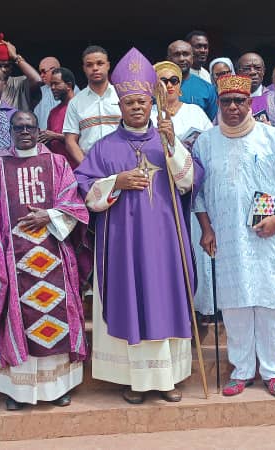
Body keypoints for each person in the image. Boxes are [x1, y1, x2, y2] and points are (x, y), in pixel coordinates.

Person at [74, 48, 202, 404]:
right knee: (131, 301)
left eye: (141, 102)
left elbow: (188, 181)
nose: (135, 107)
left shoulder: (166, 141)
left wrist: (173, 143)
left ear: (151, 104)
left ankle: (167, 379)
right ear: (120, 106)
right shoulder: (103, 148)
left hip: (165, 242)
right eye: (129, 102)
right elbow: (85, 191)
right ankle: (135, 381)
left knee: (164, 301)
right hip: (124, 243)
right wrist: (117, 182)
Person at [0, 111, 89, 410]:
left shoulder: (56, 163)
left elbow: (73, 203)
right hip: (12, 258)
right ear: (10, 131)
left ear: (38, 130)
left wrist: (48, 215)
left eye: (29, 127)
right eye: (18, 127)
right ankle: (17, 391)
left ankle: (57, 388)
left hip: (54, 257)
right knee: (16, 320)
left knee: (56, 316)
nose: (24, 131)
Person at [193, 74, 275, 398]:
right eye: (226, 101)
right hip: (225, 237)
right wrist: (207, 229)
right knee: (235, 305)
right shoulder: (206, 142)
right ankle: (241, 370)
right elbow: (197, 192)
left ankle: (273, 371)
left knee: (269, 303)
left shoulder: (273, 138)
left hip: (268, 235)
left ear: (250, 103)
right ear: (219, 105)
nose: (233, 107)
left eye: (239, 101)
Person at [152, 60, 214, 318]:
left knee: (198, 247)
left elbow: (208, 149)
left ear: (180, 86)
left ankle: (202, 307)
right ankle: (170, 308)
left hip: (193, 189)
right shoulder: (149, 114)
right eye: (162, 81)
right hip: (160, 191)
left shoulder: (195, 112)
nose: (168, 86)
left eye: (173, 81)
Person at [63, 45, 120, 164]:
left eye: (100, 63)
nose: (95, 68)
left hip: (123, 163)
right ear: (84, 68)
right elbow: (70, 141)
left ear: (108, 65)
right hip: (91, 164)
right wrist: (87, 167)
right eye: (89, 65)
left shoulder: (122, 96)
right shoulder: (75, 102)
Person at [169, 40, 217, 120]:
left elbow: (213, 123)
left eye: (185, 54)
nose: (181, 59)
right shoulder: (157, 87)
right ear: (168, 58)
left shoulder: (208, 89)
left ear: (192, 58)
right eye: (177, 55)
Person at [41, 67, 78, 165]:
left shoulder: (81, 107)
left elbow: (85, 138)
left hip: (79, 169)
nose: (52, 88)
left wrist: (54, 136)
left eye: (56, 84)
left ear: (68, 85)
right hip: (59, 170)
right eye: (51, 84)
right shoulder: (53, 112)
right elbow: (49, 140)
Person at [33, 57, 73, 129]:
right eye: (40, 72)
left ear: (54, 70)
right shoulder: (39, 91)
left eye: (44, 71)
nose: (41, 75)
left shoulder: (70, 88)